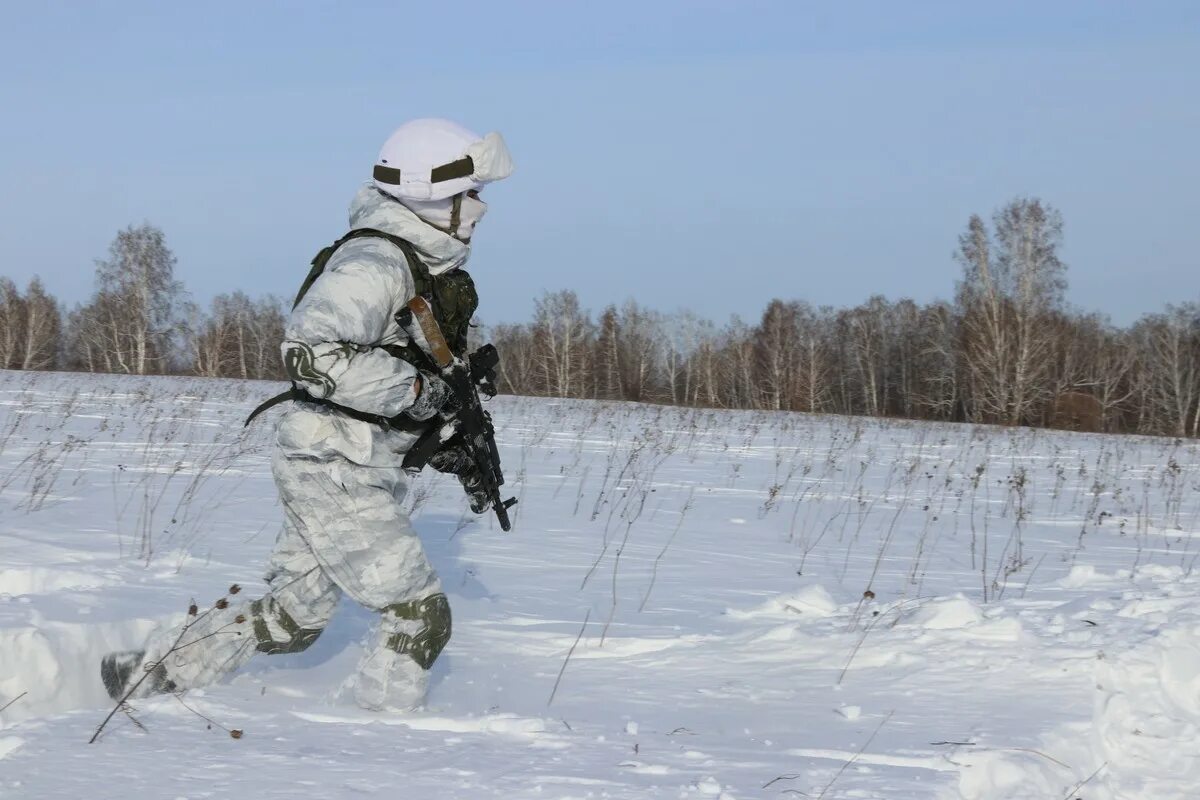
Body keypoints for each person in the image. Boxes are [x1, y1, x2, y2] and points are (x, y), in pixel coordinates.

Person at [101, 118, 514, 711]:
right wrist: (419, 392)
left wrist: (442, 434)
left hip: (346, 459)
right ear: (433, 192)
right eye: (471, 193)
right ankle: (382, 743)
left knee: (293, 619)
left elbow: (387, 372)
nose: (479, 207)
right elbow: (311, 352)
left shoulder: (417, 265)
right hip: (331, 462)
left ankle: (142, 675)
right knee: (420, 616)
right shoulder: (376, 263)